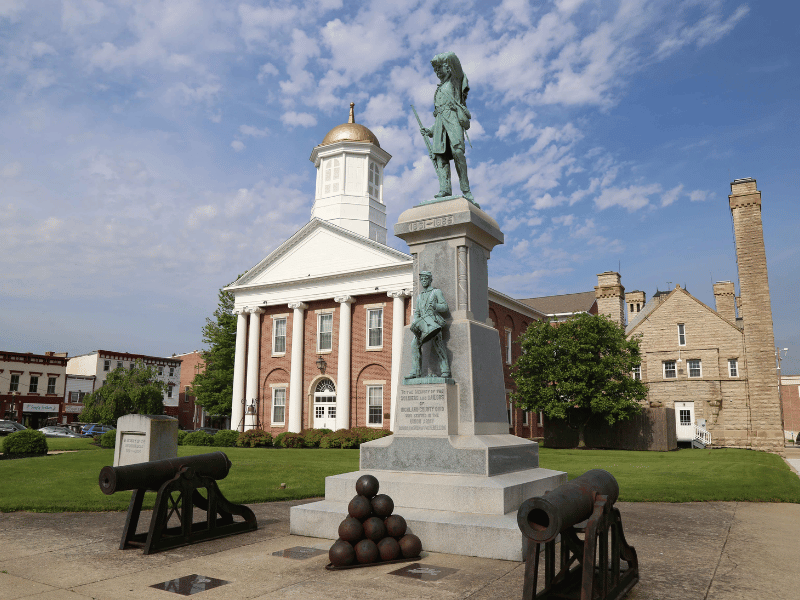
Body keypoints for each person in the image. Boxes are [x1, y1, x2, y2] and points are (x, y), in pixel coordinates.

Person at [419, 51, 474, 202]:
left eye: (439, 68)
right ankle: (445, 189)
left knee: (458, 153)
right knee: (440, 157)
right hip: (440, 128)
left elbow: (454, 62)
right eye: (435, 70)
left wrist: (439, 58)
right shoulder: (438, 90)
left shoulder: (454, 82)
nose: (437, 72)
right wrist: (430, 130)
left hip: (454, 123)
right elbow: (440, 115)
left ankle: (466, 190)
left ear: (447, 68)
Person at [407, 271, 450, 378]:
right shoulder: (419, 296)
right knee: (414, 345)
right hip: (422, 325)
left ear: (430, 280)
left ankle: (445, 370)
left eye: (426, 279)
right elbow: (417, 312)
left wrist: (435, 305)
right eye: (422, 279)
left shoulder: (436, 292)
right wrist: (415, 322)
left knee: (438, 345)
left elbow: (445, 307)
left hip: (433, 323)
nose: (424, 281)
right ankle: (415, 371)